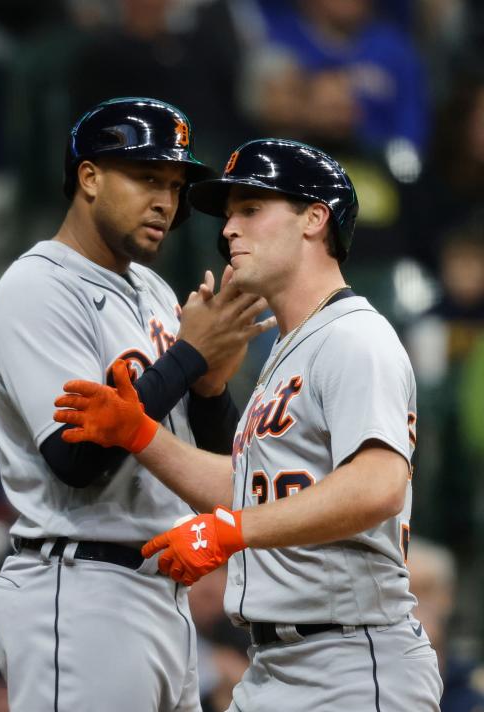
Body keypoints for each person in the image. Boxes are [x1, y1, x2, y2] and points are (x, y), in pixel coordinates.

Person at [53, 138, 444, 710]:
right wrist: (139, 434)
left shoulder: (355, 338)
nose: (228, 229)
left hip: (352, 665)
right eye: (230, 213)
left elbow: (379, 485)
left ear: (315, 219)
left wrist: (229, 532)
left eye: (251, 210)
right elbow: (248, 487)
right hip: (279, 667)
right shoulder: (291, 348)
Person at [0, 96, 273, 712]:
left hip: (160, 593)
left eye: (173, 184)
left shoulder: (154, 290)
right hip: (78, 587)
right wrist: (190, 355)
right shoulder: (39, 285)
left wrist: (211, 384)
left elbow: (210, 470)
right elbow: (74, 461)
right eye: (146, 178)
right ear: (88, 177)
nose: (165, 201)